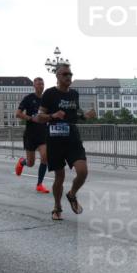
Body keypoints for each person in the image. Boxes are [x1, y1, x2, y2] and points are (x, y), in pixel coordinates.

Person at [38, 63, 94, 220]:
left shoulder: (74, 94)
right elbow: (39, 116)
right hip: (55, 140)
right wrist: (53, 116)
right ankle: (57, 207)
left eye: (70, 74)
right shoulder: (49, 94)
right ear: (57, 76)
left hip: (72, 139)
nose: (69, 77)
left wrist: (86, 116)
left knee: (82, 171)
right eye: (65, 74)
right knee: (59, 177)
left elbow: (76, 115)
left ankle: (72, 194)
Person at [14, 77, 50, 193]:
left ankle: (39, 184)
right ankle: (22, 162)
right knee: (31, 163)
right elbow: (18, 114)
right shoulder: (28, 98)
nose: (41, 86)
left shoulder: (47, 99)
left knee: (45, 157)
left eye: (42, 84)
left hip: (43, 134)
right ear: (34, 86)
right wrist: (31, 118)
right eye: (38, 84)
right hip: (30, 134)